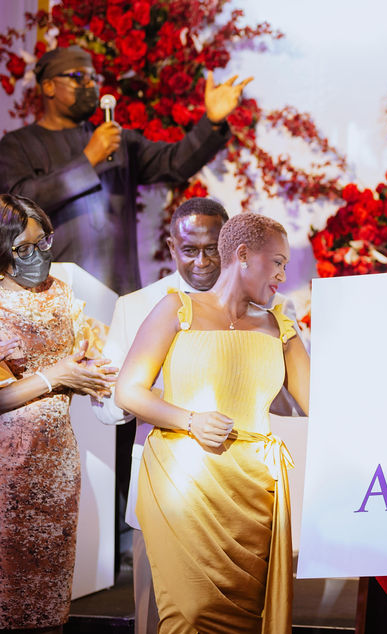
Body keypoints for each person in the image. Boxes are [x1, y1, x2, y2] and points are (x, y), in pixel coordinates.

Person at [116, 212, 309, 633]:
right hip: (182, 484)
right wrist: (189, 420)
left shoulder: (280, 326)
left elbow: (319, 403)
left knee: (247, 616)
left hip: (254, 492)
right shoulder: (176, 308)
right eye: (277, 262)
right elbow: (128, 391)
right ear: (243, 254)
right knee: (189, 611)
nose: (282, 274)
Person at [0, 45, 252, 295]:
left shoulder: (117, 141)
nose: (90, 85)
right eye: (79, 77)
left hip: (119, 290)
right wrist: (89, 160)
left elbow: (175, 163)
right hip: (52, 290)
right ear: (48, 86)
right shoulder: (18, 145)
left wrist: (212, 122)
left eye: (93, 78)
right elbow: (18, 206)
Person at [92, 197, 228, 634]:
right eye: (190, 250)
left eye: (213, 249)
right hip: (158, 480)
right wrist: (146, 395)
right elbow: (108, 410)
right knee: (156, 615)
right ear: (172, 247)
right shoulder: (137, 306)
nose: (203, 262)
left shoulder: (260, 304)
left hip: (235, 480)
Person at [0, 194, 117, 632]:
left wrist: (90, 372)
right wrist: (57, 375)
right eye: (23, 249)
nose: (37, 257)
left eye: (43, 242)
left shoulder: (62, 294)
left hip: (56, 462)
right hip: (7, 468)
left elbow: (88, 357)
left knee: (50, 589)